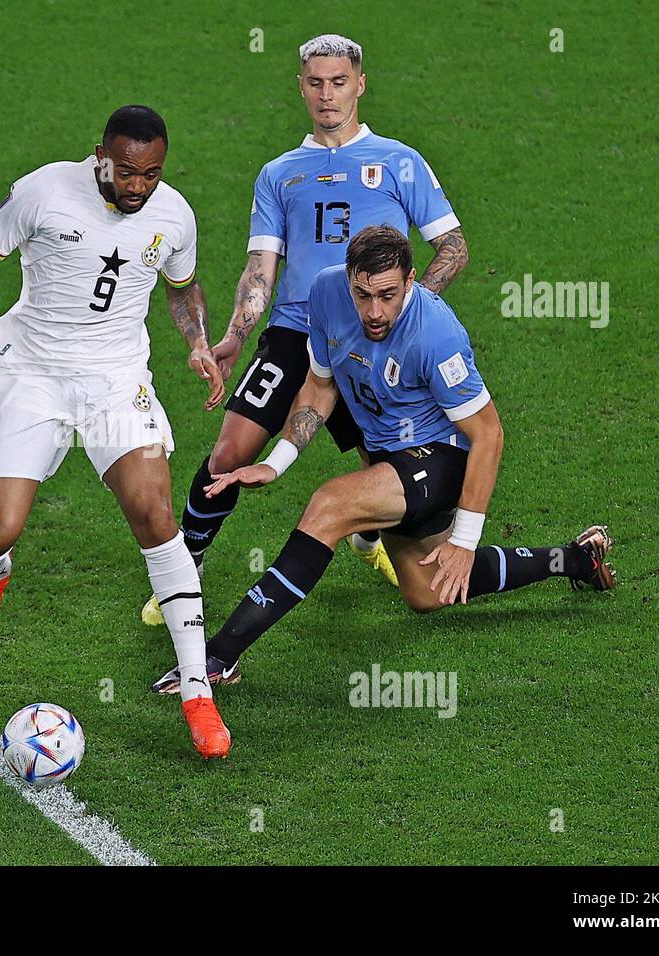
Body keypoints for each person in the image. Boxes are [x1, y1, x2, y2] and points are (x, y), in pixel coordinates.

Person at [150, 225, 615, 697]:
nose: (374, 312)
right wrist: (277, 461)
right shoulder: (327, 293)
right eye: (363, 294)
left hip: (444, 458)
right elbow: (319, 386)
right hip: (389, 456)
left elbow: (489, 434)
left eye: (388, 296)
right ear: (348, 279)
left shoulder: (436, 333)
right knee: (427, 591)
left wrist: (465, 539)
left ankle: (215, 659)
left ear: (411, 281)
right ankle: (575, 560)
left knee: (330, 505)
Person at [0, 105, 233, 758]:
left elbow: (182, 286)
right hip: (32, 375)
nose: (138, 186)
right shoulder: (43, 192)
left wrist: (198, 341)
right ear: (100, 156)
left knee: (155, 514)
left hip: (117, 381)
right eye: (126, 171)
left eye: (151, 173)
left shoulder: (174, 214)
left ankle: (199, 692)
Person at [143, 32, 470, 641]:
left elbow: (452, 246)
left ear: (360, 84)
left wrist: (411, 309)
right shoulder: (279, 175)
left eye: (339, 82)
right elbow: (261, 267)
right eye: (316, 83)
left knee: (386, 463)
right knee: (230, 452)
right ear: (301, 86)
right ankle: (182, 570)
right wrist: (238, 333)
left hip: (376, 340)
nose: (327, 95)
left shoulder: (400, 162)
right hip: (296, 332)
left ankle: (375, 538)